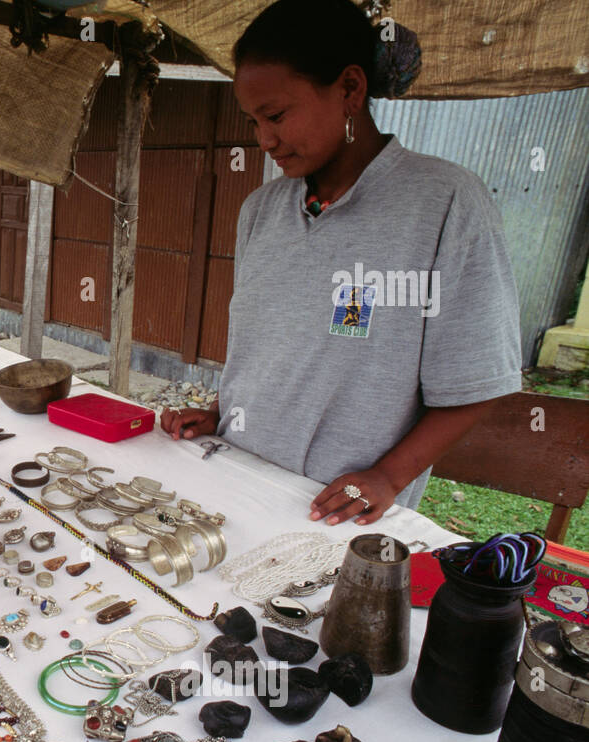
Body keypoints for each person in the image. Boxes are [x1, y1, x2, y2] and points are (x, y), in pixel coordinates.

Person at [160, 0, 521, 526]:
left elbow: (477, 381)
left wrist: (389, 477)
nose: (265, 140)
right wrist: (223, 413)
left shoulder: (445, 204)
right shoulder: (263, 209)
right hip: (233, 478)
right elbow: (279, 347)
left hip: (337, 511)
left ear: (350, 89)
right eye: (255, 120)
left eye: (277, 115)